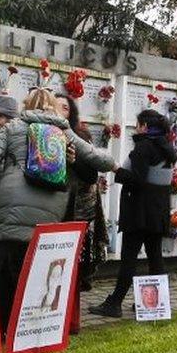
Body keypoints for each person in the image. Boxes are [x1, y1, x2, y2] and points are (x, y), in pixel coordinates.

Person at [0, 87, 115, 337]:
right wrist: (119, 168)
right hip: (47, 213)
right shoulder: (63, 130)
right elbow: (96, 157)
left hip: (8, 208)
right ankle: (24, 332)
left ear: (26, 106)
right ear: (52, 106)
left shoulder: (14, 127)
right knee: (27, 275)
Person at [89, 109, 176, 318]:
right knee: (155, 257)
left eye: (137, 124)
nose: (136, 128)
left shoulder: (143, 147)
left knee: (129, 258)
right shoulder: (168, 148)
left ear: (144, 126)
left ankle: (115, 303)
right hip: (158, 211)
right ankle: (158, 303)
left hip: (139, 211)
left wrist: (116, 169)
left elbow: (137, 179)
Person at [55, 93, 106, 292]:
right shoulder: (39, 133)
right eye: (55, 106)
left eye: (65, 108)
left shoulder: (80, 137)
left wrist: (74, 161)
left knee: (73, 267)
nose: (59, 111)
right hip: (52, 206)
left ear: (71, 115)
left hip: (76, 208)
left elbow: (91, 176)